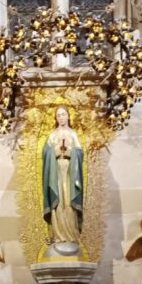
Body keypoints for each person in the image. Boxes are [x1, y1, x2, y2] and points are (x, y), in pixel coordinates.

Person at [42, 105, 84, 248]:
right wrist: (55, 150)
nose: (61, 117)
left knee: (69, 201)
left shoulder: (73, 134)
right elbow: (45, 153)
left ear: (68, 116)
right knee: (58, 201)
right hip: (56, 171)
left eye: (63, 114)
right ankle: (58, 236)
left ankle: (71, 235)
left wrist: (70, 152)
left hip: (70, 171)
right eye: (58, 115)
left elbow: (80, 153)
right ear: (56, 118)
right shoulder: (52, 134)